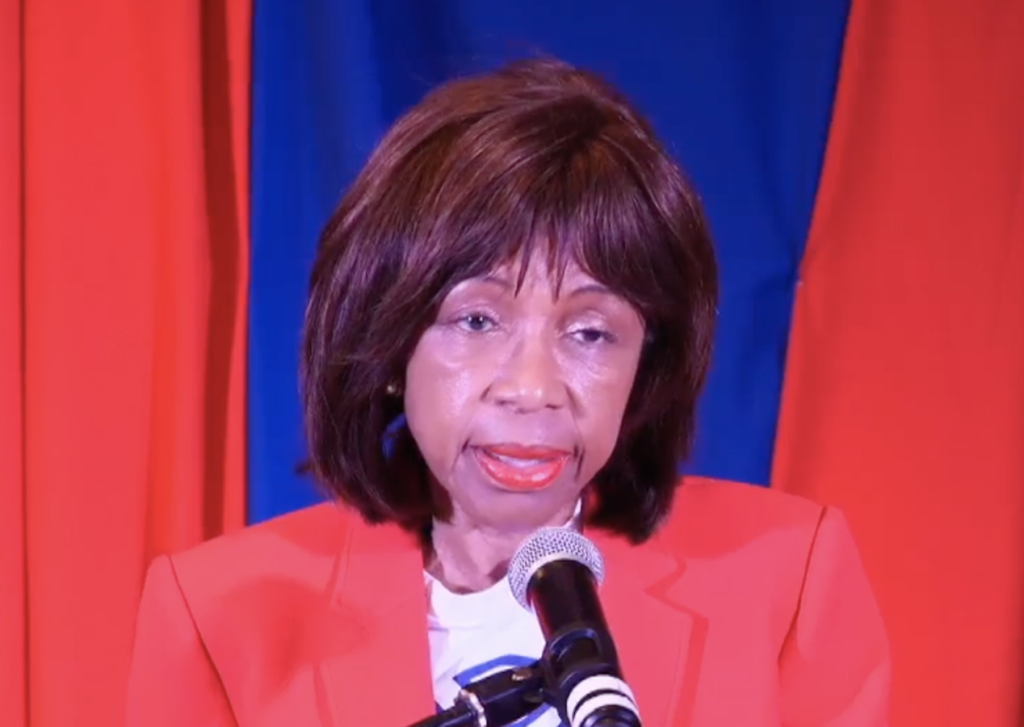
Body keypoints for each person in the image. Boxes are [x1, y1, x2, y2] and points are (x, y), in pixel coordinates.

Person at [125, 58, 890, 727]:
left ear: (646, 364)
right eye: (477, 319)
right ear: (389, 342)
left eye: (590, 332)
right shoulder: (219, 618)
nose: (533, 389)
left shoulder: (786, 582)